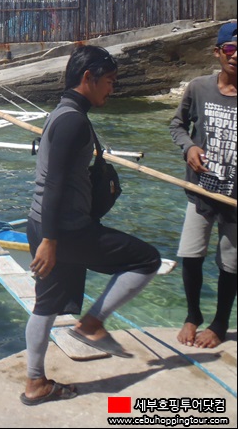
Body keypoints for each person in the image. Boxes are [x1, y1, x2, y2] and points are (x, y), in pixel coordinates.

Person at [21, 44, 161, 406]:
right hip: (63, 230)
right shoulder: (72, 120)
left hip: (44, 223)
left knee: (46, 305)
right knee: (146, 260)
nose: (112, 89)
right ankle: (93, 323)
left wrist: (47, 235)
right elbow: (53, 183)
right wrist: (51, 240)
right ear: (89, 78)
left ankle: (35, 382)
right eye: (110, 82)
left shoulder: (63, 113)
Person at [169, 21, 237, 349]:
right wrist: (189, 147)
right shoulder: (198, 88)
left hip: (235, 200)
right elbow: (177, 124)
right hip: (200, 191)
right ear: (218, 52)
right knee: (191, 254)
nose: (236, 55)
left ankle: (220, 323)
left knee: (230, 263)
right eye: (230, 48)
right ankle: (192, 314)